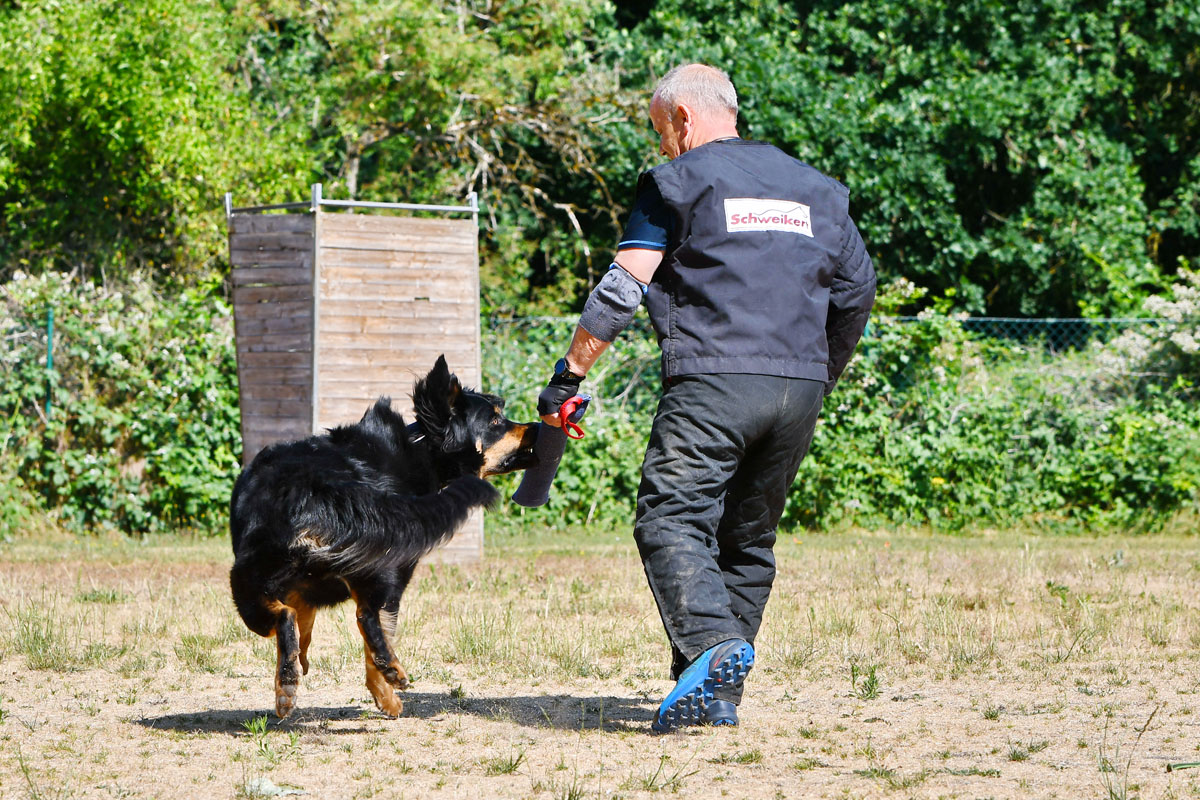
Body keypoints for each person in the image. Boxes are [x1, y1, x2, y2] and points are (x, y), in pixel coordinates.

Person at [538, 63, 876, 732]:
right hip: (800, 387)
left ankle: (714, 650)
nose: (662, 145)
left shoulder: (677, 181)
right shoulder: (819, 189)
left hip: (714, 381)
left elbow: (622, 288)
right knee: (746, 540)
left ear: (683, 121)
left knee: (670, 517)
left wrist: (568, 377)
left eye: (661, 131)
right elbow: (856, 292)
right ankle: (712, 696)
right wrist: (818, 373)